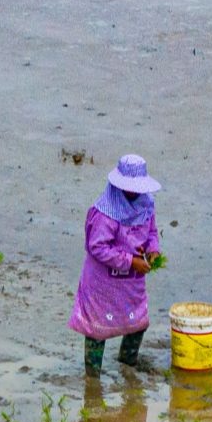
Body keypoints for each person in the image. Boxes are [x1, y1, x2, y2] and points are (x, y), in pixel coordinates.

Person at [69, 154, 163, 373]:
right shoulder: (105, 212)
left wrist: (153, 250)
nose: (135, 192)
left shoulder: (146, 204)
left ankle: (126, 365)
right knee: (96, 329)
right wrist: (131, 261)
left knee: (138, 323)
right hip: (103, 282)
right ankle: (92, 380)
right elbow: (97, 247)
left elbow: (152, 232)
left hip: (131, 281)